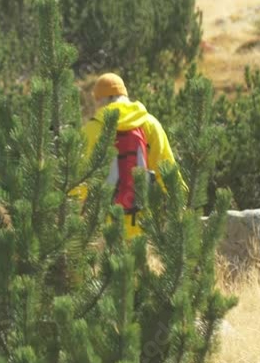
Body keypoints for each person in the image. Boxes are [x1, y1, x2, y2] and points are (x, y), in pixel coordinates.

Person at [80, 73, 186, 239]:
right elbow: (168, 171)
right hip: (141, 222)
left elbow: (79, 178)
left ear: (100, 100)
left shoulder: (92, 129)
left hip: (104, 226)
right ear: (124, 96)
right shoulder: (149, 124)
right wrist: (182, 207)